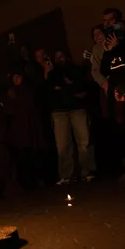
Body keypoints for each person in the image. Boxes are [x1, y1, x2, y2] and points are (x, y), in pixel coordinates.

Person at [46, 50, 95, 184]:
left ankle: (87, 171)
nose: (59, 59)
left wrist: (63, 88)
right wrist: (68, 87)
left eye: (61, 56)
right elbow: (51, 91)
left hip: (78, 109)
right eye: (57, 58)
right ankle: (67, 175)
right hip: (59, 111)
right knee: (62, 145)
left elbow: (82, 89)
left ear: (67, 57)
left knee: (84, 142)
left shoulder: (77, 71)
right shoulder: (53, 74)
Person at [4, 71, 49, 190]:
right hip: (19, 131)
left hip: (31, 129)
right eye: (14, 77)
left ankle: (38, 179)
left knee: (34, 155)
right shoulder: (10, 93)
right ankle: (26, 182)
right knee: (23, 156)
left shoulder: (29, 91)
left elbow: (32, 107)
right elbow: (9, 110)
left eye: (18, 76)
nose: (16, 79)